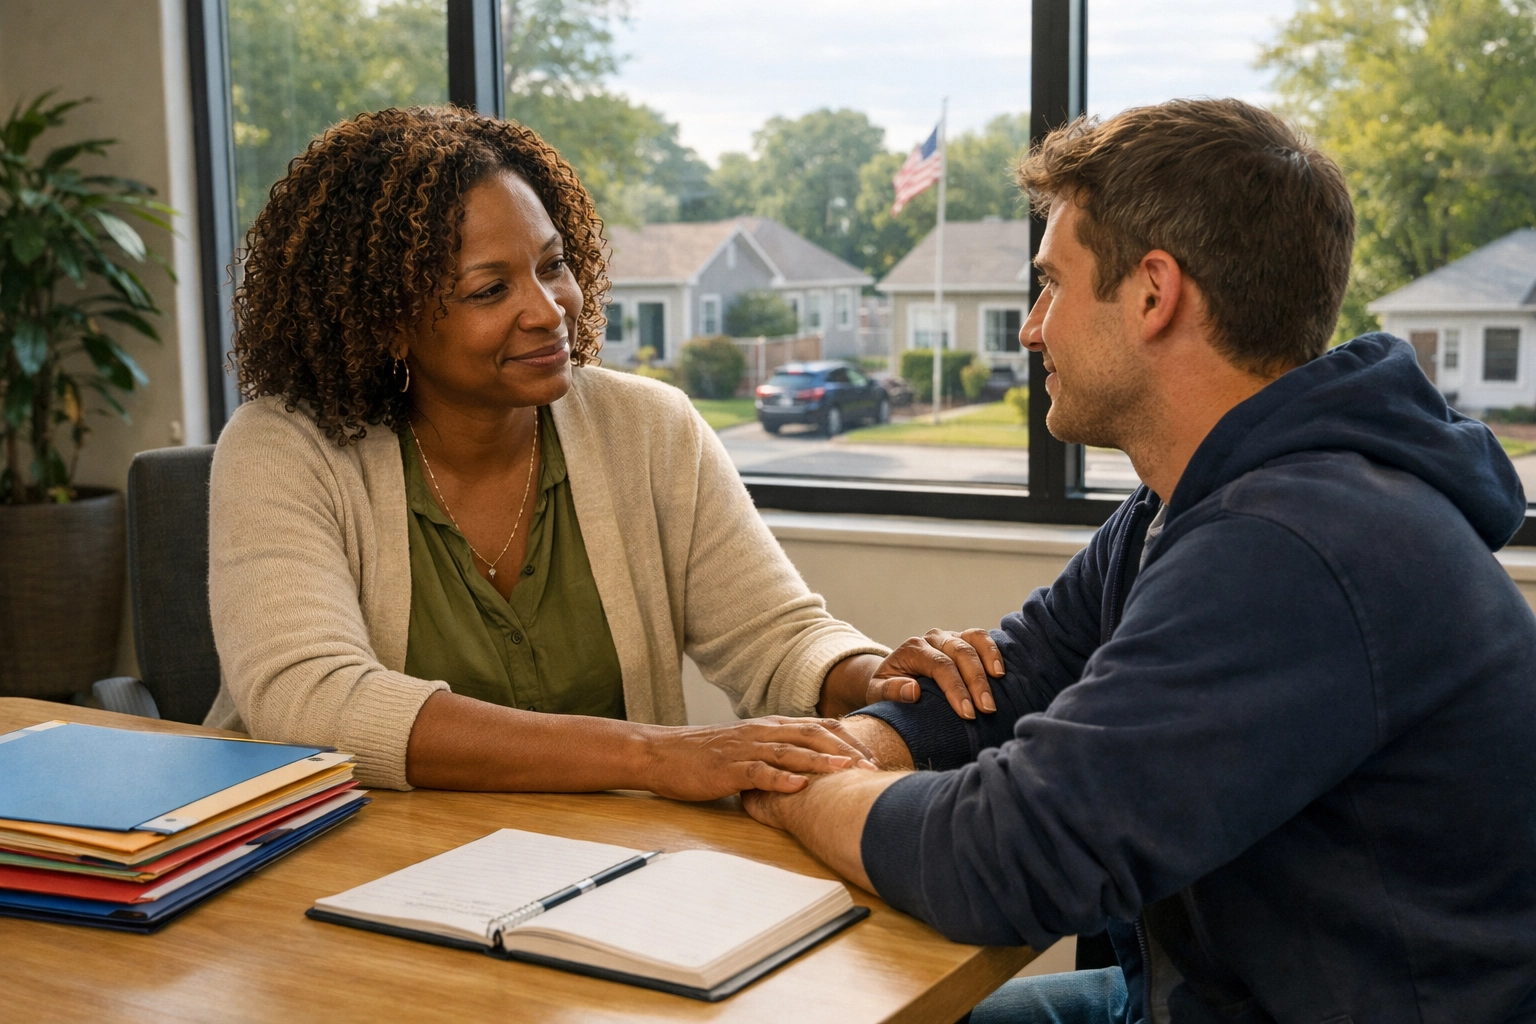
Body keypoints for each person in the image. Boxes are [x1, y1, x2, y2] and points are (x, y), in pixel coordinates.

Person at [744, 98, 1536, 1022]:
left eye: (1053, 286)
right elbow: (1019, 672)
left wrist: (800, 785)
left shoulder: (1299, 544)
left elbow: (1010, 858)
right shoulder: (1193, 499)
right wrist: (864, 743)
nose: (1033, 328)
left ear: (1155, 294)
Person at [203, 106, 972, 796]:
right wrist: (653, 756)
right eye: (488, 290)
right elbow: (312, 699)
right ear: (386, 323)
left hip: (599, 875)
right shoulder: (285, 447)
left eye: (553, 265)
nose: (549, 311)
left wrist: (878, 678)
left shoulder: (647, 427)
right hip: (328, 872)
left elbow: (774, 637)